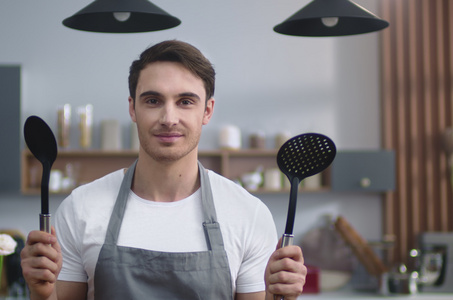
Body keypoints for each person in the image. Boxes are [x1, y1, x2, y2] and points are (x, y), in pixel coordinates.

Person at [21, 40, 307, 300]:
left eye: (185, 102)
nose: (169, 119)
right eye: (153, 101)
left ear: (207, 111)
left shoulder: (248, 214)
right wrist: (41, 293)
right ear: (133, 109)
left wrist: (282, 297)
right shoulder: (80, 208)